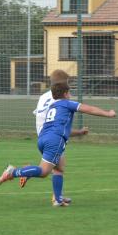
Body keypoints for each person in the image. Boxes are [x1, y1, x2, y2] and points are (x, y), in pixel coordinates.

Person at [0, 81, 116, 207]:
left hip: (43, 138)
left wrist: (80, 132)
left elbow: (61, 129)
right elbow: (89, 109)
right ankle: (13, 172)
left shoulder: (53, 107)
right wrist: (108, 114)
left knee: (59, 168)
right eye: (69, 92)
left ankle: (58, 199)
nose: (70, 95)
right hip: (55, 141)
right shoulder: (67, 104)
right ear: (65, 94)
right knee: (44, 172)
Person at [32, 69, 89, 205]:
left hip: (43, 135)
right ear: (61, 84)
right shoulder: (58, 100)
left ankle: (58, 197)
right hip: (52, 137)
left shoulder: (43, 97)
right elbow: (59, 126)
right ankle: (21, 172)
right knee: (51, 169)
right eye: (67, 83)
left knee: (58, 167)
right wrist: (79, 132)